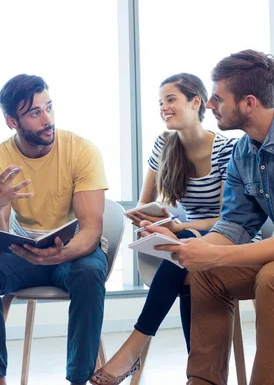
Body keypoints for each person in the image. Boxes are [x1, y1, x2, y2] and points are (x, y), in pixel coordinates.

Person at [148, 49, 274, 385]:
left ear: (248, 103)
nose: (209, 104)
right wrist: (198, 250)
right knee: (207, 272)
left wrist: (216, 252)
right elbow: (235, 224)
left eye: (218, 97)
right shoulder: (244, 149)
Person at [90, 73, 238, 385]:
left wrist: (181, 226)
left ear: (195, 102)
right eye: (160, 102)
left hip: (226, 236)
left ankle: (134, 347)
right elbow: (145, 203)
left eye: (171, 100)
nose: (163, 107)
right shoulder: (164, 144)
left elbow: (229, 217)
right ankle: (199, 375)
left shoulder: (226, 148)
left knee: (183, 251)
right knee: (185, 261)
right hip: (185, 237)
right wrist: (149, 223)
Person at [0, 74, 109, 385]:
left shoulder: (82, 151)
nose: (47, 120)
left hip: (71, 253)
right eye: (34, 113)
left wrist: (61, 253)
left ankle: (79, 379)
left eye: (49, 108)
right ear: (11, 121)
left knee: (90, 273)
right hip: (22, 254)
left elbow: (91, 230)